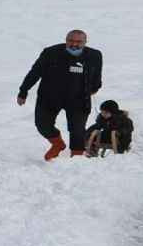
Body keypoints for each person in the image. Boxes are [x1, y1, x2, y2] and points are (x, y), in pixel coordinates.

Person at [18, 29, 103, 160]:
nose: (74, 44)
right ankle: (57, 144)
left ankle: (77, 158)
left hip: (78, 99)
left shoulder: (94, 55)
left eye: (79, 42)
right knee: (42, 125)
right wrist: (23, 91)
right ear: (66, 40)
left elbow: (97, 76)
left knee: (77, 131)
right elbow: (35, 73)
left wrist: (94, 87)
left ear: (85, 42)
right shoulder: (50, 53)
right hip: (50, 97)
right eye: (71, 41)